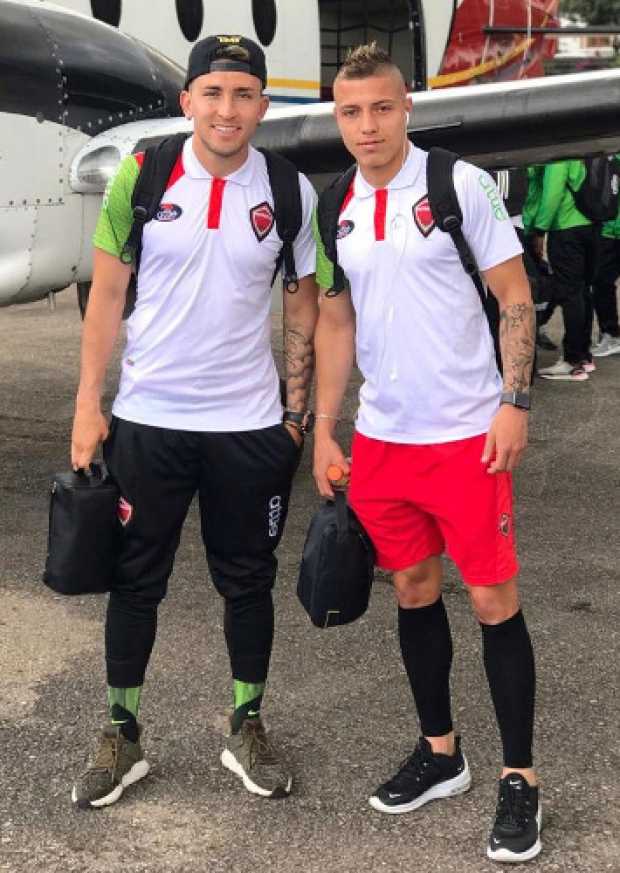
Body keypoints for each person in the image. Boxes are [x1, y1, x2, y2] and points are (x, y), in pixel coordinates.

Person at [70, 34, 318, 807]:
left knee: (247, 581)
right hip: (149, 420)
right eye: (213, 92)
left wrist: (298, 410)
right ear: (188, 101)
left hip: (248, 425)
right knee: (134, 580)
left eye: (244, 94)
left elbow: (304, 298)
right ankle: (122, 732)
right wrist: (88, 404)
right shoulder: (143, 175)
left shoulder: (289, 188)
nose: (227, 109)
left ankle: (247, 723)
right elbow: (106, 294)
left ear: (262, 107)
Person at [312, 44, 540, 864]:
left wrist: (514, 403)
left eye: (380, 108)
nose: (366, 126)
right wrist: (327, 424)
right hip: (384, 439)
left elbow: (515, 295)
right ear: (336, 117)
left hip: (467, 436)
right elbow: (335, 321)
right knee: (413, 587)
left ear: (405, 107)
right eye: (349, 112)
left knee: (491, 601)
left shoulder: (458, 184)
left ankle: (521, 777)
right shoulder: (332, 200)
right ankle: (441, 752)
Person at [533, 159, 598, 380]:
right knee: (582, 292)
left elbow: (553, 192)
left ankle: (572, 362)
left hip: (566, 229)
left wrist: (540, 228)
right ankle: (585, 356)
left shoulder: (561, 154)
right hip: (592, 226)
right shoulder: (587, 152)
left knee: (570, 294)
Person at [591, 158, 620, 357]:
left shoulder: (611, 160)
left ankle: (611, 334)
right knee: (603, 284)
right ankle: (610, 334)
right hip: (610, 229)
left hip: (610, 231)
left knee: (602, 284)